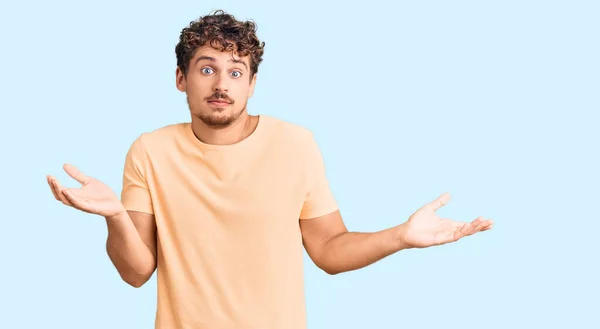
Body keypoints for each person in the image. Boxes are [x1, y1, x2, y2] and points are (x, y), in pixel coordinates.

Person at [46, 9, 493, 329]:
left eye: (236, 72)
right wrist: (116, 217)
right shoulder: (150, 150)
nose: (221, 84)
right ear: (181, 78)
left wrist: (400, 236)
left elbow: (329, 250)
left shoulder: (295, 144)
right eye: (207, 68)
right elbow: (136, 272)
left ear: (253, 83)